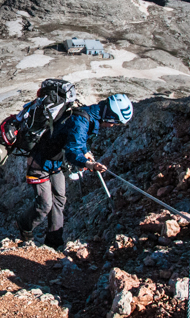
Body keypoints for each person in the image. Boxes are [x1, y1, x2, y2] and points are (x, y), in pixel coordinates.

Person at [16, 93, 133, 249]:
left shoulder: (89, 116)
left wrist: (85, 152)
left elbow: (76, 139)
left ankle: (53, 243)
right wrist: (88, 164)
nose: (112, 126)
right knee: (44, 205)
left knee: (59, 199)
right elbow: (72, 151)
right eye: (114, 122)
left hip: (53, 162)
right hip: (39, 163)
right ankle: (24, 225)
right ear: (110, 115)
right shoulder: (83, 119)